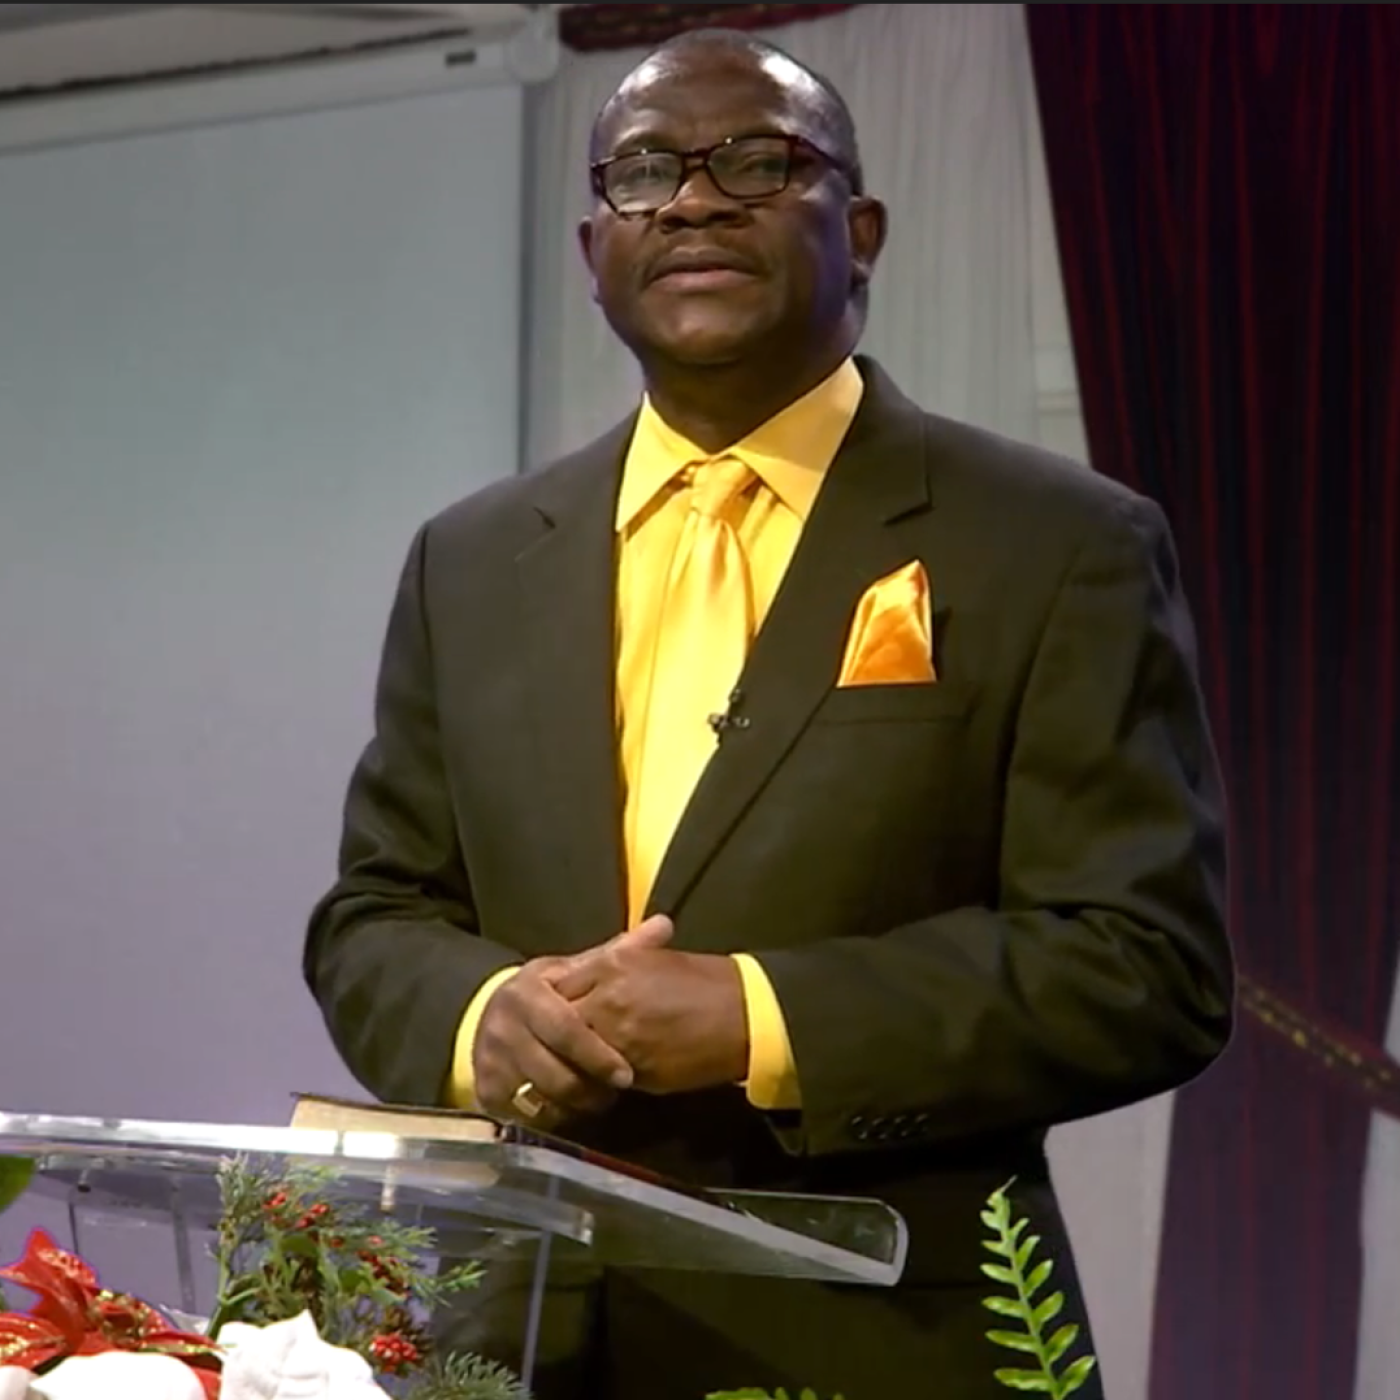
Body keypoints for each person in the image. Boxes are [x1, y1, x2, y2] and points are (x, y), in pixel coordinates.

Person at [304, 25, 1233, 1400]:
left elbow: (1144, 966)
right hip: (525, 1344)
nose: (693, 200)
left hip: (884, 1347)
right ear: (595, 253)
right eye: (644, 173)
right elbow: (376, 915)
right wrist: (479, 1016)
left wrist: (760, 1017)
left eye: (755, 162)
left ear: (860, 233)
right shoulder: (473, 558)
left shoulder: (1058, 543)